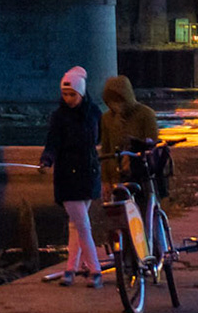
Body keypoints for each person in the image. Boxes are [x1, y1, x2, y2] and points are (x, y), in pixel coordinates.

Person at [40, 66, 103, 287]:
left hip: (88, 172)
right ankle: (95, 270)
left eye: (72, 95)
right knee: (82, 224)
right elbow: (52, 143)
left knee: (76, 224)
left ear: (81, 93)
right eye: (65, 94)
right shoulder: (59, 117)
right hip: (68, 175)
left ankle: (70, 269)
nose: (68, 99)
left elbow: (100, 138)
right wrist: (47, 159)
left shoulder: (94, 112)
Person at [99, 75, 160, 192]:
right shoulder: (107, 118)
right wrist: (105, 180)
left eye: (118, 100)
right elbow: (106, 149)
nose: (115, 105)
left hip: (142, 174)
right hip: (116, 175)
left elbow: (152, 145)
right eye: (111, 101)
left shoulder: (146, 114)